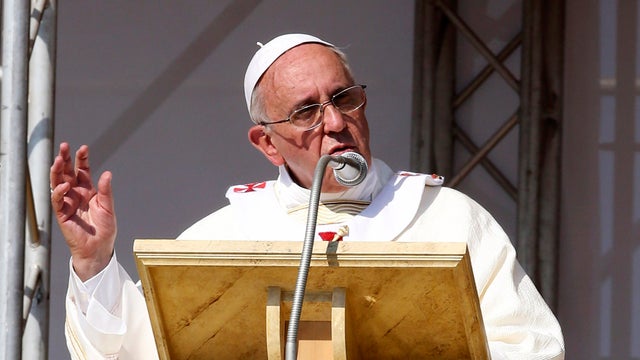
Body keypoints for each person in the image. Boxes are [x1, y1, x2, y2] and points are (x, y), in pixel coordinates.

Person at [51, 33, 565, 359]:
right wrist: (95, 265)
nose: (336, 123)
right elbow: (133, 352)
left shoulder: (447, 219)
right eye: (306, 111)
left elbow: (533, 348)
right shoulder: (224, 238)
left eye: (345, 99)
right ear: (267, 144)